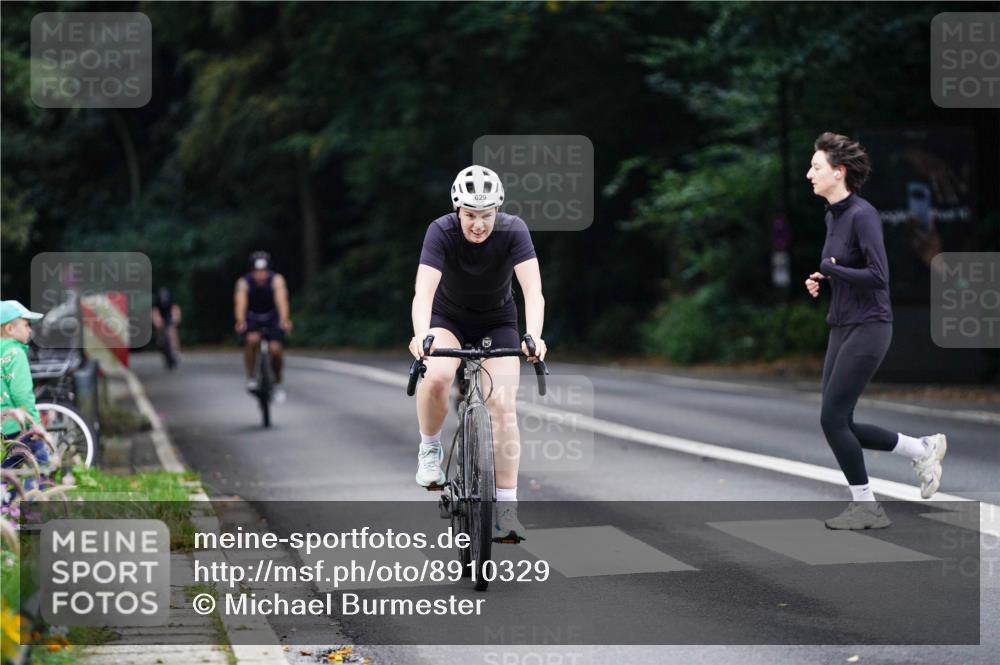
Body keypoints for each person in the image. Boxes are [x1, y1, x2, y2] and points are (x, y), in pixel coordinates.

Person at [805, 132, 947, 530]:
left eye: (816, 168)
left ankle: (867, 507)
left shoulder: (863, 214)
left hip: (870, 326)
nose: (808, 174)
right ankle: (921, 448)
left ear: (839, 171)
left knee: (832, 420)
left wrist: (834, 269)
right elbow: (844, 267)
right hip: (842, 324)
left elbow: (878, 276)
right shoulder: (832, 215)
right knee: (839, 421)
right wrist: (824, 277)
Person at [409, 165, 547, 543]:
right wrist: (422, 335)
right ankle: (430, 450)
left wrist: (533, 335)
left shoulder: (514, 229)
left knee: (502, 406)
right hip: (447, 318)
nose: (478, 225)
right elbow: (423, 292)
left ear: (497, 210)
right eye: (470, 215)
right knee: (436, 375)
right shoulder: (440, 231)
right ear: (458, 210)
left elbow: (532, 291)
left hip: (498, 320)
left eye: (486, 215)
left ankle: (506, 509)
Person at [234, 251, 292, 404]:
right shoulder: (244, 282)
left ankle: (277, 382)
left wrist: (285, 319)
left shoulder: (277, 280)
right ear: (251, 271)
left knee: (275, 349)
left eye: (263, 271)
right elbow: (240, 303)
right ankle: (251, 377)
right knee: (252, 341)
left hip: (272, 317)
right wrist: (240, 320)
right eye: (257, 272)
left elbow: (282, 300)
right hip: (252, 317)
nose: (260, 275)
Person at [1, 300, 50, 469]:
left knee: (8, 469)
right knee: (41, 464)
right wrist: (34, 423)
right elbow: (21, 393)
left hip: (2, 426)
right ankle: (37, 495)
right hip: (16, 426)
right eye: (26, 325)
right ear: (10, 329)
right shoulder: (15, 354)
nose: (30, 329)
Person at [151, 287, 182, 368]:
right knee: (160, 333)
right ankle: (160, 343)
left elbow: (175, 309)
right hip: (161, 317)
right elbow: (154, 311)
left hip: (169, 317)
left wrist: (175, 319)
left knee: (172, 331)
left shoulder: (171, 299)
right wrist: (156, 321)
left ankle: (175, 351)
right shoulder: (157, 300)